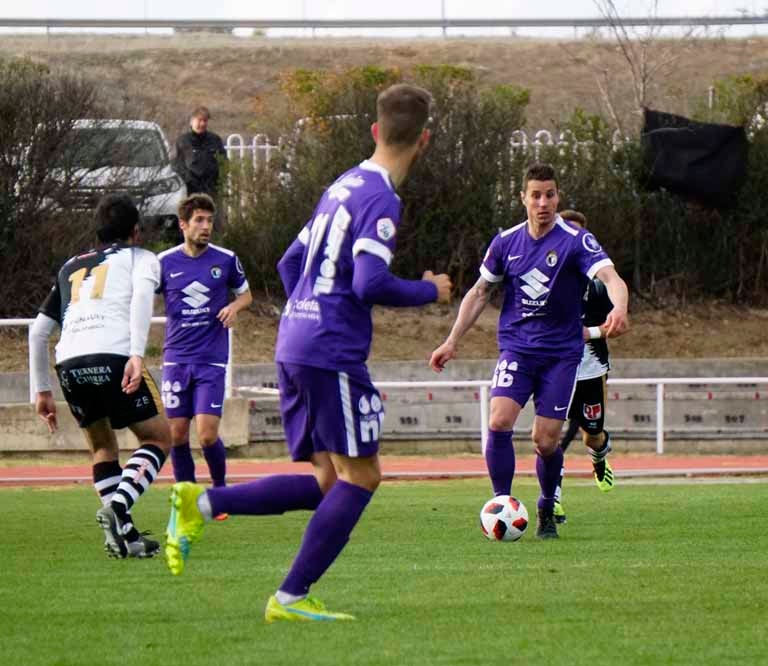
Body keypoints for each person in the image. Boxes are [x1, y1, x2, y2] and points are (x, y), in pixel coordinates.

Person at [164, 83, 452, 623]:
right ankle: (291, 597)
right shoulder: (382, 198)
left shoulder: (342, 184)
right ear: (425, 140)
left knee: (328, 483)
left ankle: (204, 502)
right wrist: (427, 290)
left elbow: (288, 262)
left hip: (295, 342)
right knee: (363, 477)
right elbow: (369, 282)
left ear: (373, 131)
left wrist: (309, 309)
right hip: (329, 352)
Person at [430, 163, 629, 539]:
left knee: (545, 440)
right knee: (499, 420)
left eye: (550, 195)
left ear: (558, 197)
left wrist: (618, 307)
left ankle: (546, 505)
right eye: (535, 195)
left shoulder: (575, 240)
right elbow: (478, 292)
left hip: (561, 355)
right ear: (523, 198)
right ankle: (502, 504)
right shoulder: (506, 242)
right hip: (517, 350)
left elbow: (611, 277)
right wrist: (452, 339)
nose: (543, 203)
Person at [29, 193, 171, 559]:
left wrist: (41, 390)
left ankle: (122, 538)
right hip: (114, 354)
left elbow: (38, 331)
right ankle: (118, 508)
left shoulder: (69, 266)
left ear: (97, 231)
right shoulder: (142, 258)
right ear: (136, 232)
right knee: (158, 439)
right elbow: (142, 297)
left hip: (70, 364)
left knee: (103, 447)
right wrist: (137, 354)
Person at [158, 193, 251, 494]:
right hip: (176, 359)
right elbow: (144, 297)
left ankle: (220, 489)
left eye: (210, 220)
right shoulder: (164, 262)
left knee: (208, 435)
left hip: (211, 359)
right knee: (177, 434)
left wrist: (233, 308)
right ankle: (186, 496)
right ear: (183, 224)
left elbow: (246, 295)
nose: (206, 226)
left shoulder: (225, 259)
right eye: (199, 220)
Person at [550, 209, 616, 525]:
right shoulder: (543, 278)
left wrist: (587, 333)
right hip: (554, 366)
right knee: (551, 438)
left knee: (592, 435)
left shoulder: (599, 284)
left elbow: (618, 324)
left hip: (590, 369)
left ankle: (599, 456)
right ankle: (552, 500)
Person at [173, 106, 227, 199]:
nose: (202, 124)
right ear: (191, 121)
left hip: (212, 190)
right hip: (190, 191)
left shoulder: (215, 140)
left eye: (205, 121)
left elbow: (224, 162)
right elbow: (178, 165)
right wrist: (188, 180)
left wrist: (218, 182)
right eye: (199, 120)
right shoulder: (183, 141)